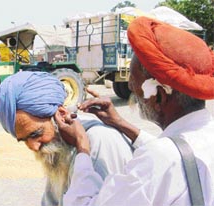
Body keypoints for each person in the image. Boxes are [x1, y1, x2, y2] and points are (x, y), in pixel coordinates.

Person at [54, 16, 214, 205]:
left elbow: (83, 203)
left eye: (133, 81)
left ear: (159, 96)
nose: (130, 87)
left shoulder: (157, 162)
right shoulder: (204, 135)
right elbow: (178, 150)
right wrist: (120, 123)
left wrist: (82, 145)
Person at [0, 71, 133, 206]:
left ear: (61, 114)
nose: (33, 147)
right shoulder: (59, 148)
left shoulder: (98, 141)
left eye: (35, 134)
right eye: (24, 140)